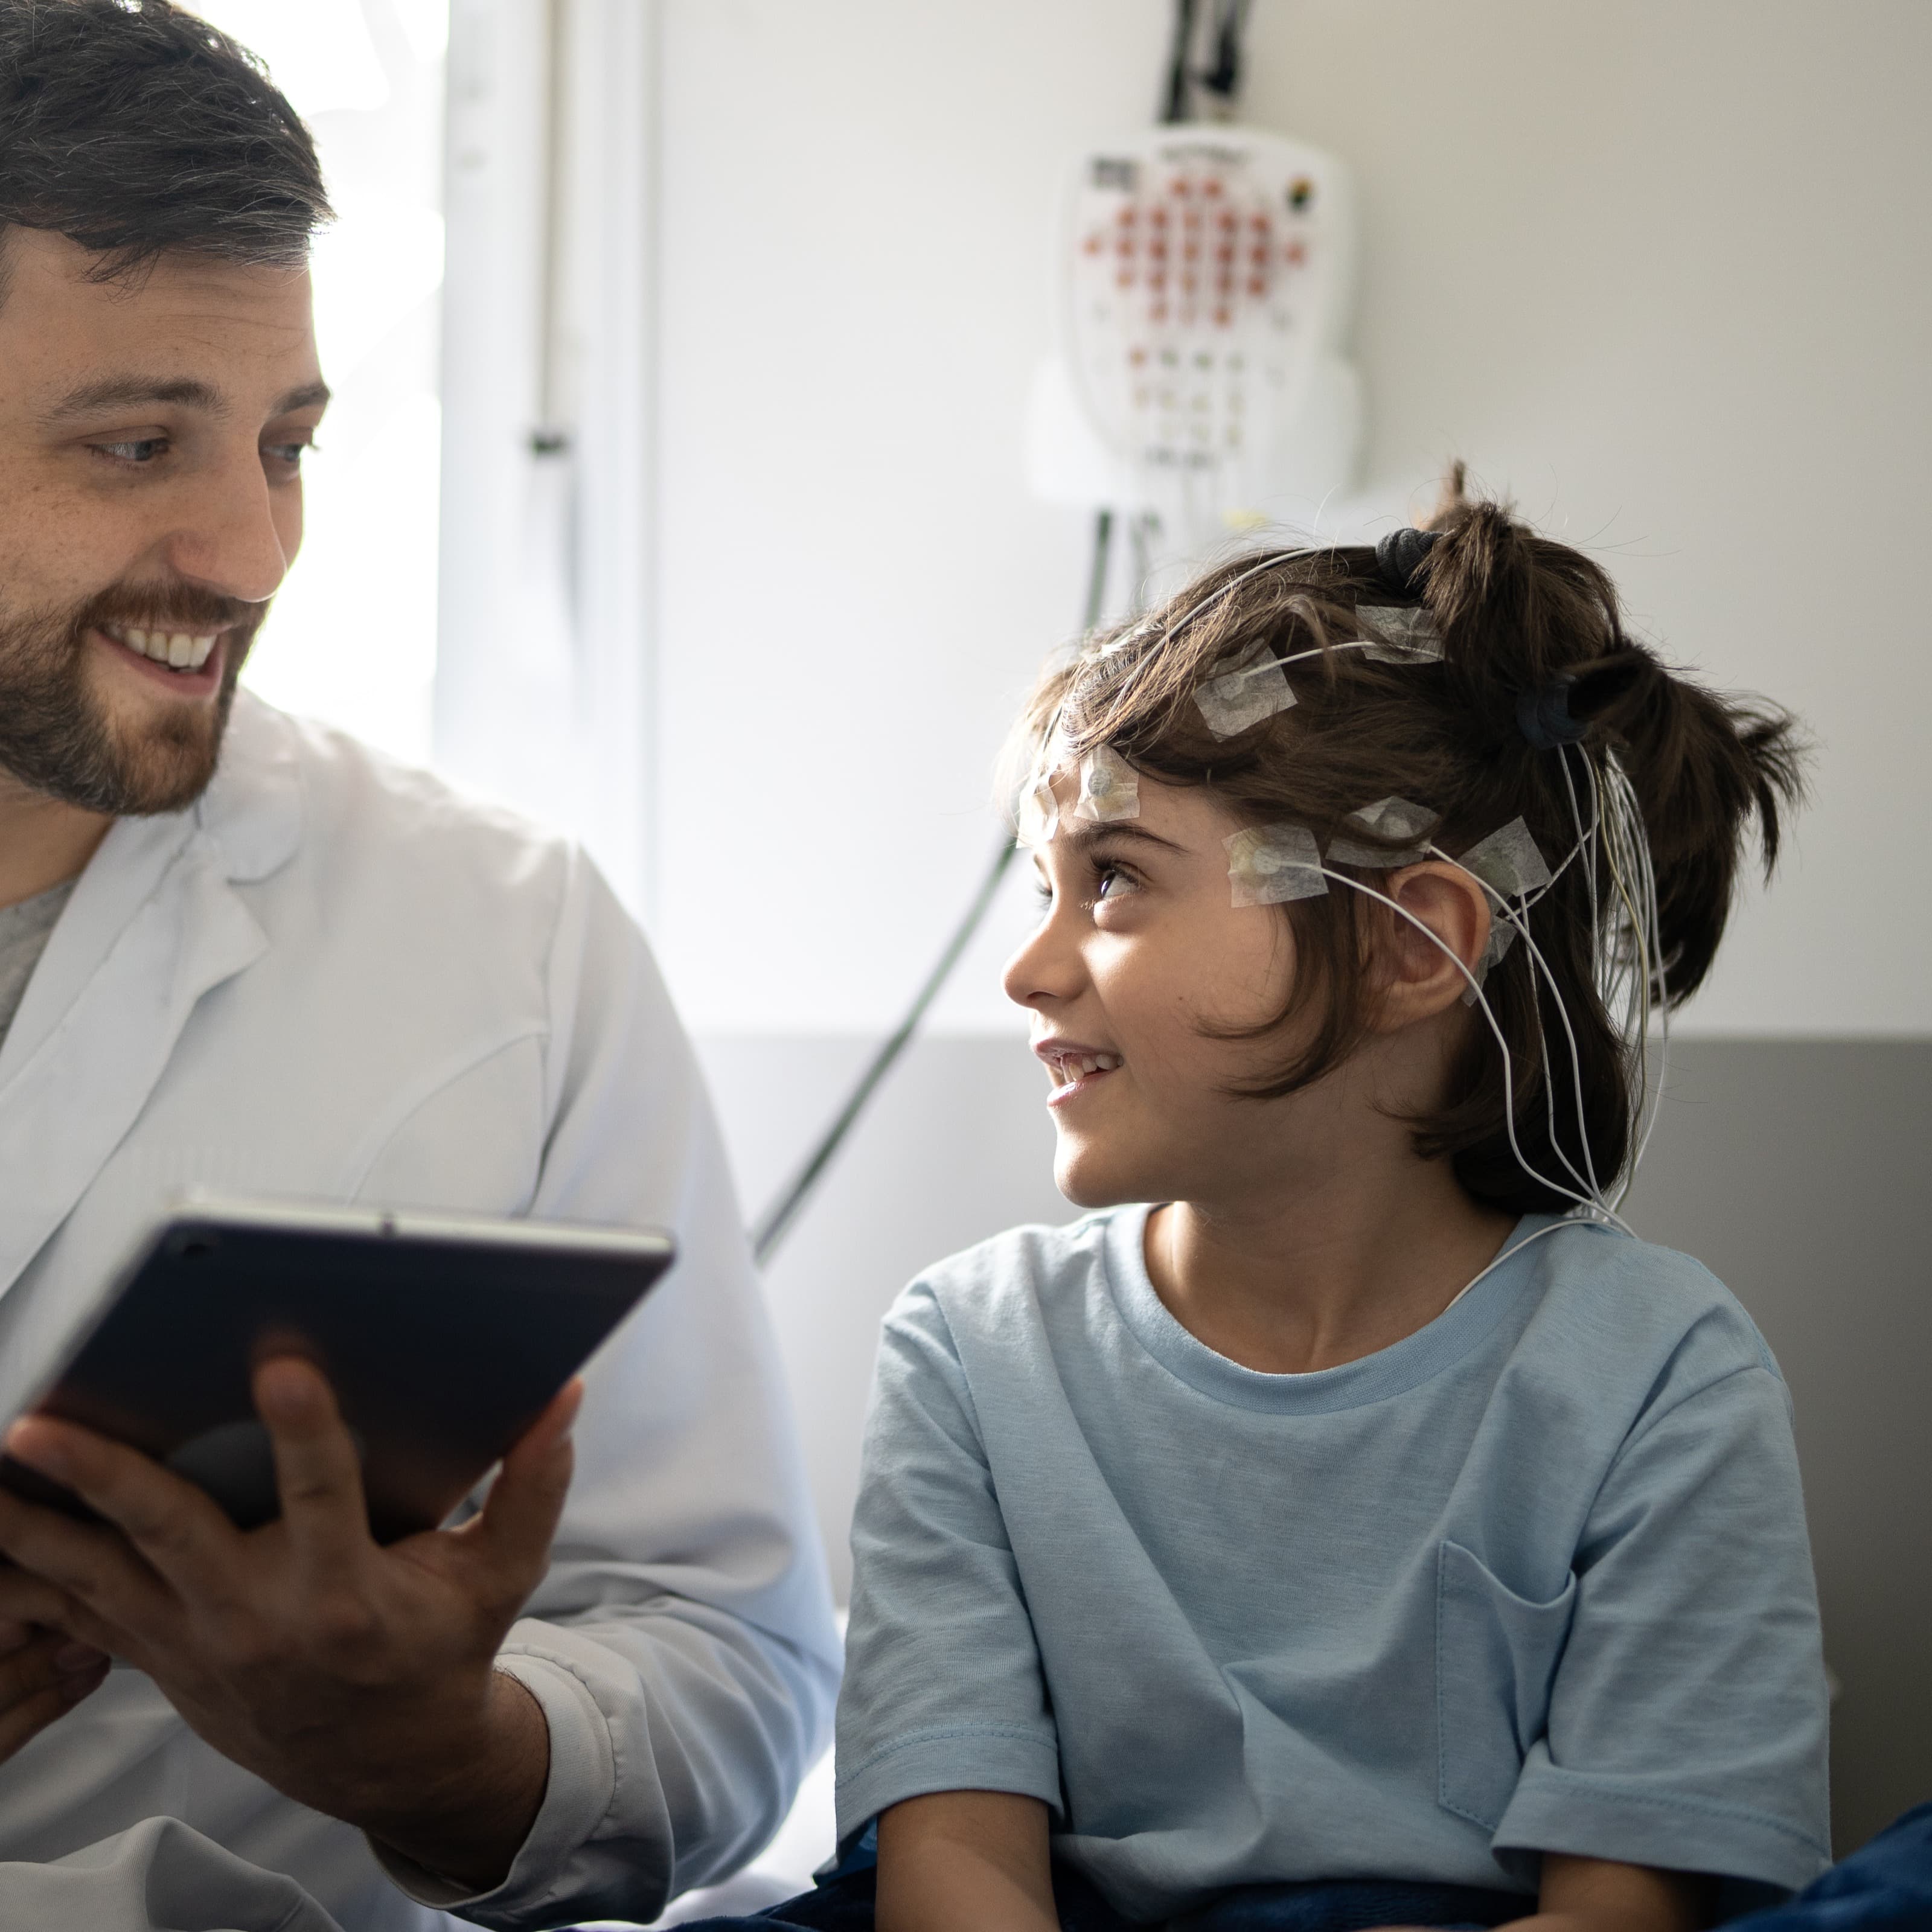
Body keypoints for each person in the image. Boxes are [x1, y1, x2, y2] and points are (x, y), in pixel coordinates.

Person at [694, 482, 1829, 1932]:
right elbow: (954, 1871)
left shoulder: (1656, 1372)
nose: (1027, 970)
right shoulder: (973, 1352)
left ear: (1411, 947)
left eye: (1113, 880)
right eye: (1042, 887)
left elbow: (1622, 1913)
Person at [0, 4, 837, 1928]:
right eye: (137, 444)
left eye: (285, 444)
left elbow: (730, 1658)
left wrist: (453, 1762)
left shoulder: (506, 939)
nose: (250, 549)